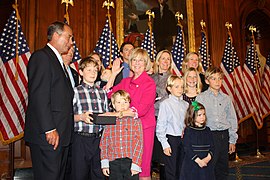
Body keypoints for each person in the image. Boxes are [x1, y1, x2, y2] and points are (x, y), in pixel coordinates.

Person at [24, 21, 74, 180]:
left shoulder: (57, 60)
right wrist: (49, 128)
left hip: (61, 135)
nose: (71, 42)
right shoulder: (42, 57)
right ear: (56, 35)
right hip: (48, 136)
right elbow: (39, 96)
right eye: (69, 37)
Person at [105, 48, 156, 180]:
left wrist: (117, 114)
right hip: (125, 131)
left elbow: (141, 109)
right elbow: (108, 94)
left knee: (142, 169)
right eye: (134, 60)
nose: (137, 63)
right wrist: (114, 74)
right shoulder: (126, 81)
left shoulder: (149, 83)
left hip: (143, 129)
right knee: (127, 169)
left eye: (141, 60)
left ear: (146, 64)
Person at [196, 67, 238, 180]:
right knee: (209, 166)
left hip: (223, 136)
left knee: (222, 167)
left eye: (220, 79)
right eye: (214, 79)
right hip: (208, 136)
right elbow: (194, 117)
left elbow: (232, 119)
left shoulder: (227, 99)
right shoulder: (200, 98)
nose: (217, 82)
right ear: (207, 81)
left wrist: (232, 140)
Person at [72, 57, 109, 180]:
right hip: (81, 139)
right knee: (79, 174)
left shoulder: (102, 93)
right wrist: (81, 117)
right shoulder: (75, 92)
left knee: (98, 174)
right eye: (89, 70)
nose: (93, 73)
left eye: (95, 70)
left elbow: (106, 115)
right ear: (81, 72)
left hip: (98, 140)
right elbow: (66, 118)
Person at [100, 90, 143, 180]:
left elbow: (139, 143)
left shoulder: (135, 121)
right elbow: (104, 142)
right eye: (119, 102)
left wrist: (136, 163)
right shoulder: (109, 121)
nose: (122, 105)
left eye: (125, 102)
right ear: (114, 105)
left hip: (130, 162)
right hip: (113, 162)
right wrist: (104, 162)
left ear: (129, 103)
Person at [156, 75, 188, 180]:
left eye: (182, 87)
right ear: (169, 88)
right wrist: (165, 144)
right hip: (171, 139)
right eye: (177, 87)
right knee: (171, 170)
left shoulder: (186, 104)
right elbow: (161, 126)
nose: (180, 89)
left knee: (182, 168)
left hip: (183, 140)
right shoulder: (166, 104)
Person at [151, 50, 173, 179]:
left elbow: (169, 99)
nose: (165, 61)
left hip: (167, 120)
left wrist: (157, 100)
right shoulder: (150, 78)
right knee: (154, 155)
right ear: (158, 61)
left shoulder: (173, 78)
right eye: (163, 58)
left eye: (168, 59)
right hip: (152, 118)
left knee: (165, 155)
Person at [180, 101, 215, 180]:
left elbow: (212, 146)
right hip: (193, 163)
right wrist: (198, 161)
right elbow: (187, 148)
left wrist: (207, 159)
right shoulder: (188, 130)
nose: (202, 117)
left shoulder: (207, 130)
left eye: (203, 114)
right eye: (199, 115)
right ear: (192, 116)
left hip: (206, 162)